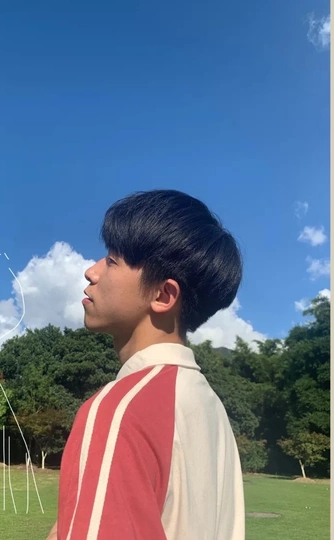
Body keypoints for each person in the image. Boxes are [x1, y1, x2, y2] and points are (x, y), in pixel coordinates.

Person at [46, 189, 245, 539]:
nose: (91, 272)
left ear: (163, 295)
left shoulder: (120, 410)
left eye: (112, 261)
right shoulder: (211, 410)